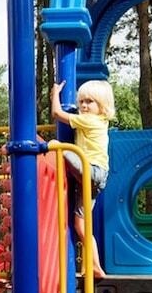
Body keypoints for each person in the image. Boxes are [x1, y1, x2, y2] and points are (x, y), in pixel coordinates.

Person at [50, 78, 116, 279]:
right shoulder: (99, 121)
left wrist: (55, 94)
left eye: (90, 102)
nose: (84, 106)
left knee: (57, 146)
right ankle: (96, 266)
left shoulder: (90, 120)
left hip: (91, 170)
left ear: (102, 107)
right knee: (81, 226)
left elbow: (57, 114)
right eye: (82, 102)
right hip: (92, 180)